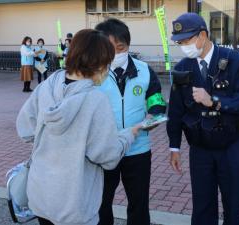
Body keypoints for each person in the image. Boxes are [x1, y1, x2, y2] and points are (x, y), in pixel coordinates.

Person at [16, 29, 142, 225]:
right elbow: (106, 156)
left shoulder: (48, 85)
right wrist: (128, 135)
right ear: (99, 64)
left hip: (41, 193)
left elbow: (25, 129)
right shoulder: (96, 100)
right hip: (75, 203)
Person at [167, 13, 239, 225]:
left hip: (232, 145)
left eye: (187, 41)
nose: (183, 46)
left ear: (202, 35)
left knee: (233, 205)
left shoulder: (236, 61)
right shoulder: (183, 68)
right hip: (200, 148)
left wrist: (215, 101)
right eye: (179, 42)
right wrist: (174, 146)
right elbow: (176, 111)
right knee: (202, 207)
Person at [96, 18, 167, 225]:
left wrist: (155, 114)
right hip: (105, 150)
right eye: (110, 48)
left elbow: (156, 99)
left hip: (138, 149)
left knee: (139, 203)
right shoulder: (94, 72)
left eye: (121, 47)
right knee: (101, 203)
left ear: (128, 45)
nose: (116, 53)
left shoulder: (144, 70)